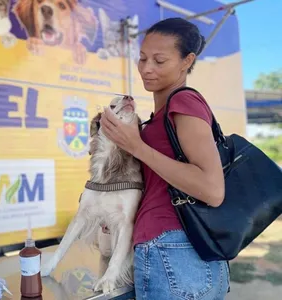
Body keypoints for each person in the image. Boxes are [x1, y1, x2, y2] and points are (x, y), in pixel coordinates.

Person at [100, 18, 229, 299]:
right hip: (173, 250)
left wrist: (136, 145)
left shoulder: (183, 102)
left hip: (175, 250)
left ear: (187, 61)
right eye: (143, 58)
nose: (146, 68)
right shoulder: (159, 116)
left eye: (159, 61)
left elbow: (212, 189)